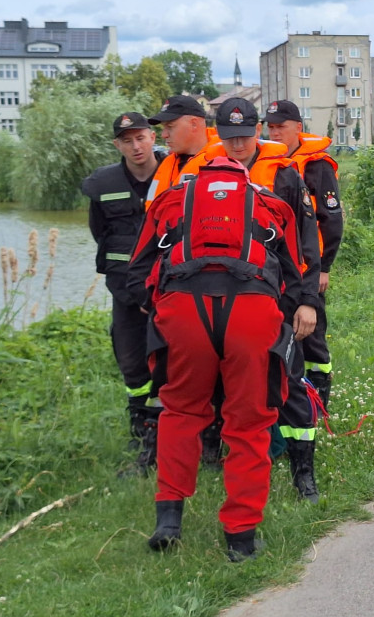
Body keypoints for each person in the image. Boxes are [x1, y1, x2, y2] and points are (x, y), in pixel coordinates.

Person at [128, 149, 308, 562]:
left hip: (184, 310)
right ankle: (241, 539)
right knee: (249, 423)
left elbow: (137, 272)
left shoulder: (171, 200)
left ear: (201, 175)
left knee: (181, 411)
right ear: (243, 176)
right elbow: (294, 275)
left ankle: (169, 519)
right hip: (251, 311)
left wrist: (155, 307)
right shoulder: (270, 204)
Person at [212, 97, 325, 502]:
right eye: (229, 138)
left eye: (244, 137)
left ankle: (303, 473)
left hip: (278, 299)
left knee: (291, 383)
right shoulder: (208, 180)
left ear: (257, 130)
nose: (238, 146)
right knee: (223, 384)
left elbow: (306, 246)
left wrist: (308, 301)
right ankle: (224, 456)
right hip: (226, 302)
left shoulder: (285, 178)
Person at [81, 112, 163, 471]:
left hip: (169, 293)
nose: (136, 146)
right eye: (127, 140)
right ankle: (141, 429)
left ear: (152, 137)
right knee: (132, 365)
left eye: (141, 138)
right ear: (118, 145)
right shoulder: (104, 183)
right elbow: (100, 233)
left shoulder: (175, 174)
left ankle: (175, 435)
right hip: (126, 293)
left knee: (174, 366)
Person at [262, 100, 343, 414]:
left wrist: (324, 267)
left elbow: (331, 219)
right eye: (270, 127)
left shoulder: (316, 165)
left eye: (280, 127)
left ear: (298, 128)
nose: (275, 132)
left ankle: (320, 398)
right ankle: (287, 395)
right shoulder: (270, 162)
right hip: (278, 265)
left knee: (312, 335)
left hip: (310, 266)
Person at [145, 95, 221, 209]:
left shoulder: (225, 160)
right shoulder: (167, 164)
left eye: (170, 127)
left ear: (194, 124)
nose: (164, 135)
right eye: (164, 128)